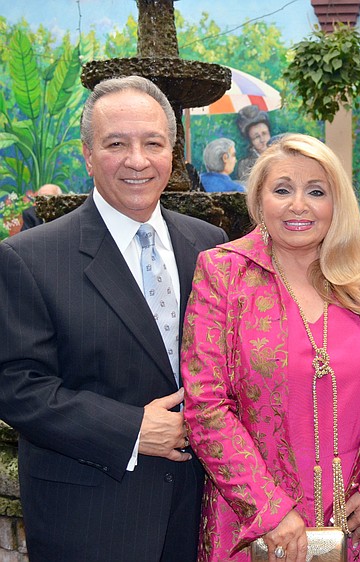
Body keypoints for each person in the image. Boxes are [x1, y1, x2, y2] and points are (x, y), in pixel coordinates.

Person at [0, 75, 228, 561]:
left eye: (153, 143)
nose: (137, 160)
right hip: (91, 516)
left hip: (201, 514)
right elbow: (17, 387)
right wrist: (129, 430)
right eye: (116, 144)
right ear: (87, 155)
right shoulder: (30, 258)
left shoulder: (209, 244)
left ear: (173, 150)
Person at [182, 133, 360, 562]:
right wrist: (269, 510)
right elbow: (205, 405)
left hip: (356, 522)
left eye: (316, 191)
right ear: (259, 200)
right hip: (252, 528)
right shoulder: (223, 272)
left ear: (336, 203)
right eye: (283, 189)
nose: (299, 206)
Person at [236, 104, 273, 181]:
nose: (262, 139)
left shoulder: (280, 156)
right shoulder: (245, 165)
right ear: (250, 140)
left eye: (264, 133)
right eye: (256, 137)